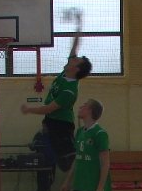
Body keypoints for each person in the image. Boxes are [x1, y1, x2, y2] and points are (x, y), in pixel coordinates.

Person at [20, 16, 92, 177]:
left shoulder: (69, 91)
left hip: (61, 126)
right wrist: (79, 26)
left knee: (69, 160)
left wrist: (29, 110)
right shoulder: (67, 72)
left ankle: (85, 180)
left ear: (77, 69)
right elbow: (74, 47)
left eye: (76, 60)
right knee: (61, 161)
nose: (72, 58)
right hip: (52, 123)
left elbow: (49, 108)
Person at [29, 121, 57, 191]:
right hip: (41, 163)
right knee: (42, 183)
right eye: (43, 126)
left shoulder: (54, 135)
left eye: (46, 126)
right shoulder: (39, 135)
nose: (45, 128)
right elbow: (33, 147)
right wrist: (30, 146)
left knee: (49, 182)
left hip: (52, 162)